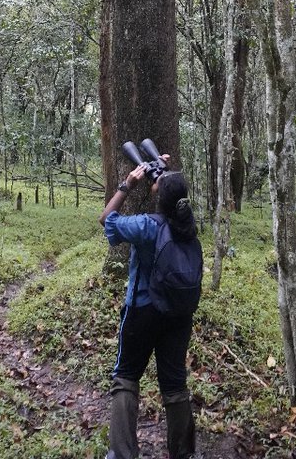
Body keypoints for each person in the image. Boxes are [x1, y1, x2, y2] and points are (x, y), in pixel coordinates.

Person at [99, 156, 199, 459]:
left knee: (126, 377)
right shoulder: (189, 226)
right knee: (175, 385)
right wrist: (164, 177)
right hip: (179, 316)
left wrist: (127, 184)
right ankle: (183, 453)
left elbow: (107, 219)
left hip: (142, 312)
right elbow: (172, 195)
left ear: (158, 195)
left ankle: (122, 454)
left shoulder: (145, 226)